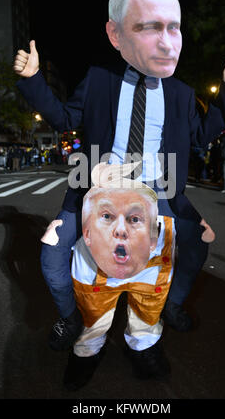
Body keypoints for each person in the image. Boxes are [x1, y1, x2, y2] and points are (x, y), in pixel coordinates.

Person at [13, 0, 225, 353]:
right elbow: (63, 119)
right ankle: (72, 316)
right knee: (52, 254)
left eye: (173, 28)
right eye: (149, 27)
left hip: (161, 188)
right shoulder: (99, 80)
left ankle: (169, 305)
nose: (164, 40)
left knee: (196, 244)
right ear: (117, 35)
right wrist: (33, 79)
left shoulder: (181, 93)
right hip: (98, 187)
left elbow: (201, 135)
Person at [62, 162, 174, 390]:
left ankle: (143, 347)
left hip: (157, 207)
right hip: (101, 207)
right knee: (93, 307)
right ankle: (86, 352)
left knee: (149, 299)